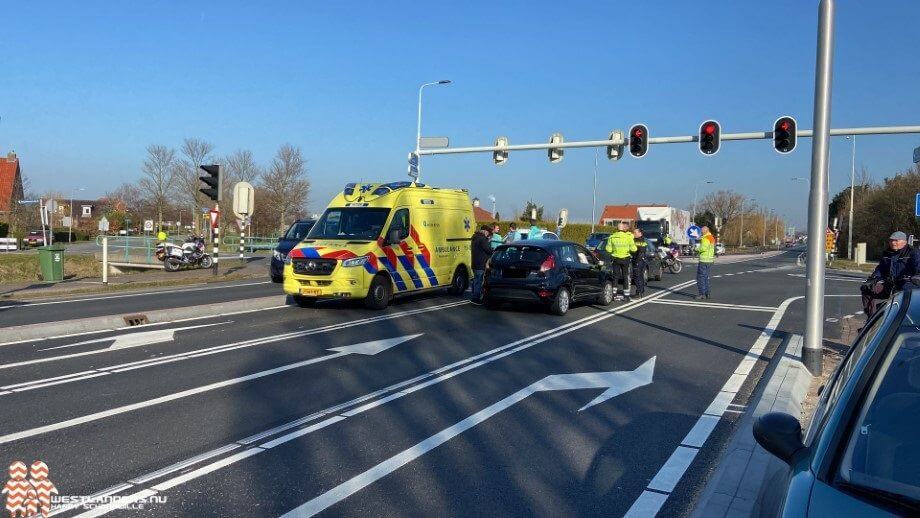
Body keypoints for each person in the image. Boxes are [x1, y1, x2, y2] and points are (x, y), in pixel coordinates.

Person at [861, 231, 920, 318]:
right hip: (890, 284)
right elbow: (881, 268)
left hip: (907, 285)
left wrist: (917, 276)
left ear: (904, 241)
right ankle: (871, 319)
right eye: (891, 240)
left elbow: (918, 266)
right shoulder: (887, 253)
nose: (893, 243)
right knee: (867, 288)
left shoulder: (913, 252)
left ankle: (901, 321)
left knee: (902, 296)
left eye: (896, 240)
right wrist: (874, 278)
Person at [606, 222, 637, 300]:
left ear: (617, 229)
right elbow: (634, 249)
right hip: (625, 259)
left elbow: (608, 249)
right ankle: (626, 295)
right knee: (625, 276)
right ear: (623, 229)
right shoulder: (629, 237)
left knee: (615, 276)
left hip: (615, 259)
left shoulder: (612, 237)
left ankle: (614, 295)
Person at [470, 225, 493, 304]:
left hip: (474, 262)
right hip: (481, 263)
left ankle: (474, 295)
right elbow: (488, 250)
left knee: (475, 280)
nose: (488, 235)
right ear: (485, 231)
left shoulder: (475, 237)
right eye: (488, 233)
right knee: (479, 281)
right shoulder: (483, 239)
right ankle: (476, 298)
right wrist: (489, 243)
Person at [695, 225, 715, 300]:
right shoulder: (711, 237)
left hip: (704, 260)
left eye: (702, 231)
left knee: (700, 278)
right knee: (705, 277)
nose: (701, 232)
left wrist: (696, 248)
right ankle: (707, 293)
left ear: (705, 231)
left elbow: (703, 248)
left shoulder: (706, 238)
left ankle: (702, 294)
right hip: (709, 260)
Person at [631, 228, 649, 299]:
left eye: (635, 233)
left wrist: (637, 262)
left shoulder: (641, 241)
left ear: (640, 233)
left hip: (639, 261)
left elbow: (641, 253)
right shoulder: (636, 240)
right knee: (640, 277)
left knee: (636, 277)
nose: (634, 234)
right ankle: (640, 291)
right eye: (633, 232)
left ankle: (639, 292)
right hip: (639, 260)